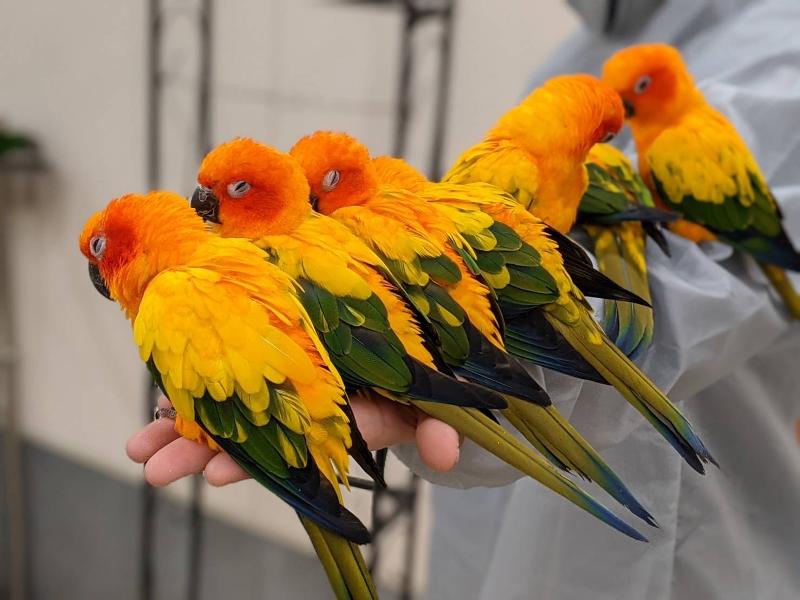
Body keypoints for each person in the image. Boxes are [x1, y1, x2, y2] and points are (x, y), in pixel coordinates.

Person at [127, 1, 800, 597]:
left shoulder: (776, 50)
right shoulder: (571, 57)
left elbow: (726, 269)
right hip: (486, 531)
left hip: (698, 549)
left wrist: (512, 350)